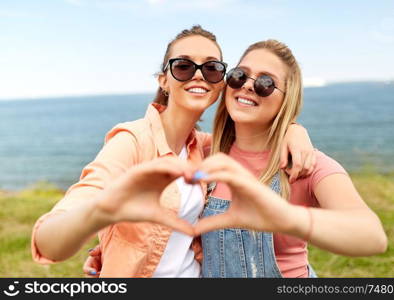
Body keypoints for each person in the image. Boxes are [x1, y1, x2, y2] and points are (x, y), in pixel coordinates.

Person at [31, 26, 316, 278]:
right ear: (163, 80)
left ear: (220, 83)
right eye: (183, 66)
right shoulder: (131, 142)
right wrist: (100, 214)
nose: (198, 75)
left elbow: (253, 136)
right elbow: (50, 241)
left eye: (212, 68)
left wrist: (293, 128)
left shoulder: (204, 148)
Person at [189, 39, 388, 278]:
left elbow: (372, 236)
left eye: (266, 82)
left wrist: (285, 217)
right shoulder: (205, 152)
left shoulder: (304, 164)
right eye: (240, 75)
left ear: (286, 98)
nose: (248, 86)